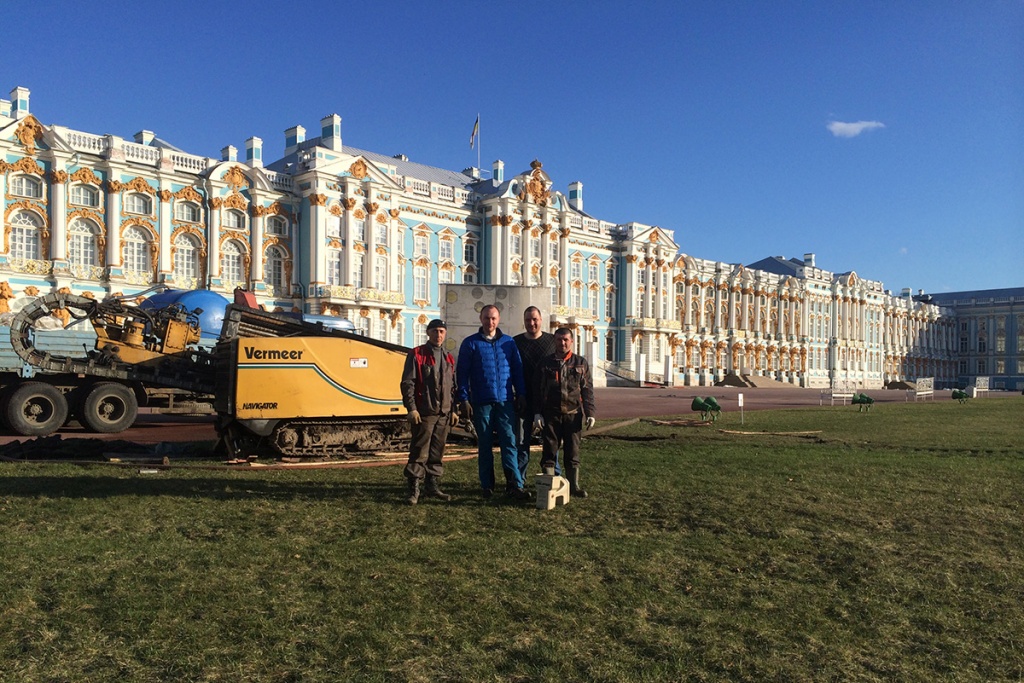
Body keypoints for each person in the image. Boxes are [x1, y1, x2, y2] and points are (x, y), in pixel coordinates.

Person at [456, 304, 528, 499]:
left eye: (494, 318)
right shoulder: (470, 343)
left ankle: (514, 484)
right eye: (487, 318)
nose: (490, 322)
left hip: (505, 401)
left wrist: (520, 394)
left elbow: (517, 371)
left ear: (499, 320)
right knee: (485, 445)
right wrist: (463, 398)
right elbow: (462, 374)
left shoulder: (508, 343)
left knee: (509, 442)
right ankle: (487, 485)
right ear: (481, 319)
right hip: (481, 402)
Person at [400, 318, 458, 505]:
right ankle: (413, 488)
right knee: (419, 450)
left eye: (441, 331)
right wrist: (412, 408)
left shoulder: (449, 358)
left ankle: (432, 486)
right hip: (424, 413)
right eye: (435, 331)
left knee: (437, 452)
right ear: (428, 333)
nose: (438, 335)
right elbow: (408, 383)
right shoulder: (417, 354)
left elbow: (452, 387)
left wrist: (454, 410)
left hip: (444, 413)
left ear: (445, 333)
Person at [533, 327, 596, 498]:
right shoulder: (545, 363)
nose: (562, 343)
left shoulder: (581, 363)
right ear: (554, 341)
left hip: (573, 414)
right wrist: (537, 413)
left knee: (572, 451)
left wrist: (590, 413)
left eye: (566, 340)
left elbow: (587, 390)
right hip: (551, 415)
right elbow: (537, 390)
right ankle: (550, 485)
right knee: (549, 451)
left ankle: (573, 486)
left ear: (572, 341)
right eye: (559, 340)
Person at [513, 306, 556, 479]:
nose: (531, 323)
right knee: (522, 443)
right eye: (528, 320)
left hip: (548, 401)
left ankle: (553, 476)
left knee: (550, 441)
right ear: (524, 322)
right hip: (524, 399)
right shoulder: (515, 342)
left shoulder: (552, 341)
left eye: (535, 319)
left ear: (541, 320)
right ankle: (519, 480)